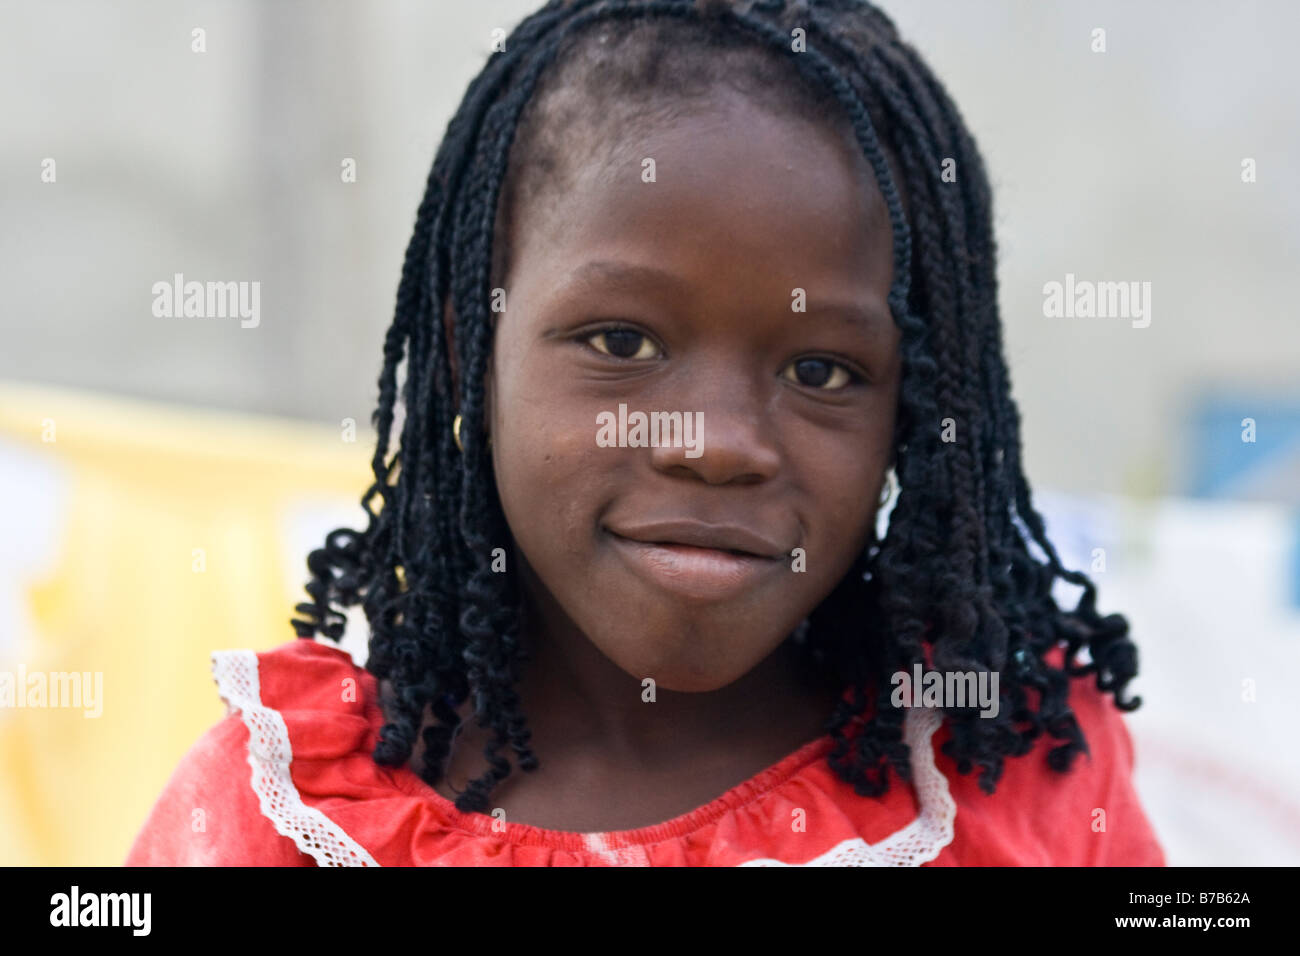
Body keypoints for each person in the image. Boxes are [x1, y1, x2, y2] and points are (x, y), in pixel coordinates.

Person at [126, 0, 1165, 866]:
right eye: (620, 340)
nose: (714, 442)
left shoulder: (1010, 780)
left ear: (913, 412)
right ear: (469, 348)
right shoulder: (284, 812)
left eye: (822, 370)